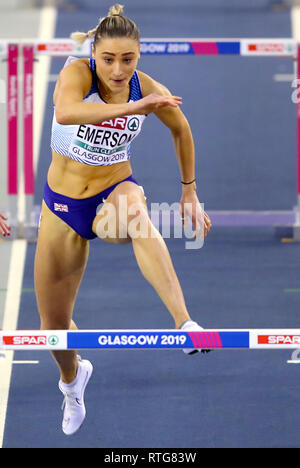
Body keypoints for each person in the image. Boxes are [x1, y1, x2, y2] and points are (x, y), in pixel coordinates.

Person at [34, 4, 212, 436]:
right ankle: (73, 383)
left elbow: (181, 127)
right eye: (109, 59)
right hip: (61, 207)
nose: (118, 70)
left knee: (137, 214)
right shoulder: (78, 73)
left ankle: (184, 322)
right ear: (95, 53)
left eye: (128, 60)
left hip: (112, 195)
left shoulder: (144, 87)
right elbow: (67, 114)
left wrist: (189, 190)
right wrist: (138, 108)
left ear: (138, 57)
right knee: (54, 329)